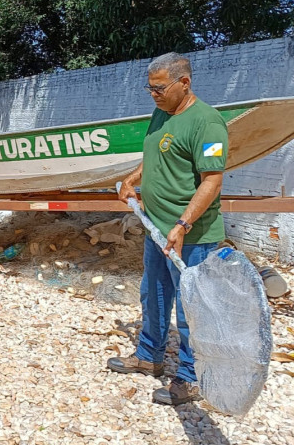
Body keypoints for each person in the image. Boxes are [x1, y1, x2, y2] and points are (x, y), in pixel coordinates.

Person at [108, 52, 228, 405]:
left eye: (159, 88)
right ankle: (150, 357)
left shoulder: (207, 123)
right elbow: (153, 158)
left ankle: (191, 378)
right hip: (156, 229)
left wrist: (182, 224)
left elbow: (212, 181)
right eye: (150, 88)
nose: (153, 95)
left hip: (191, 237)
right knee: (154, 296)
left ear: (185, 83)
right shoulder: (161, 113)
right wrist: (131, 180)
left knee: (192, 309)